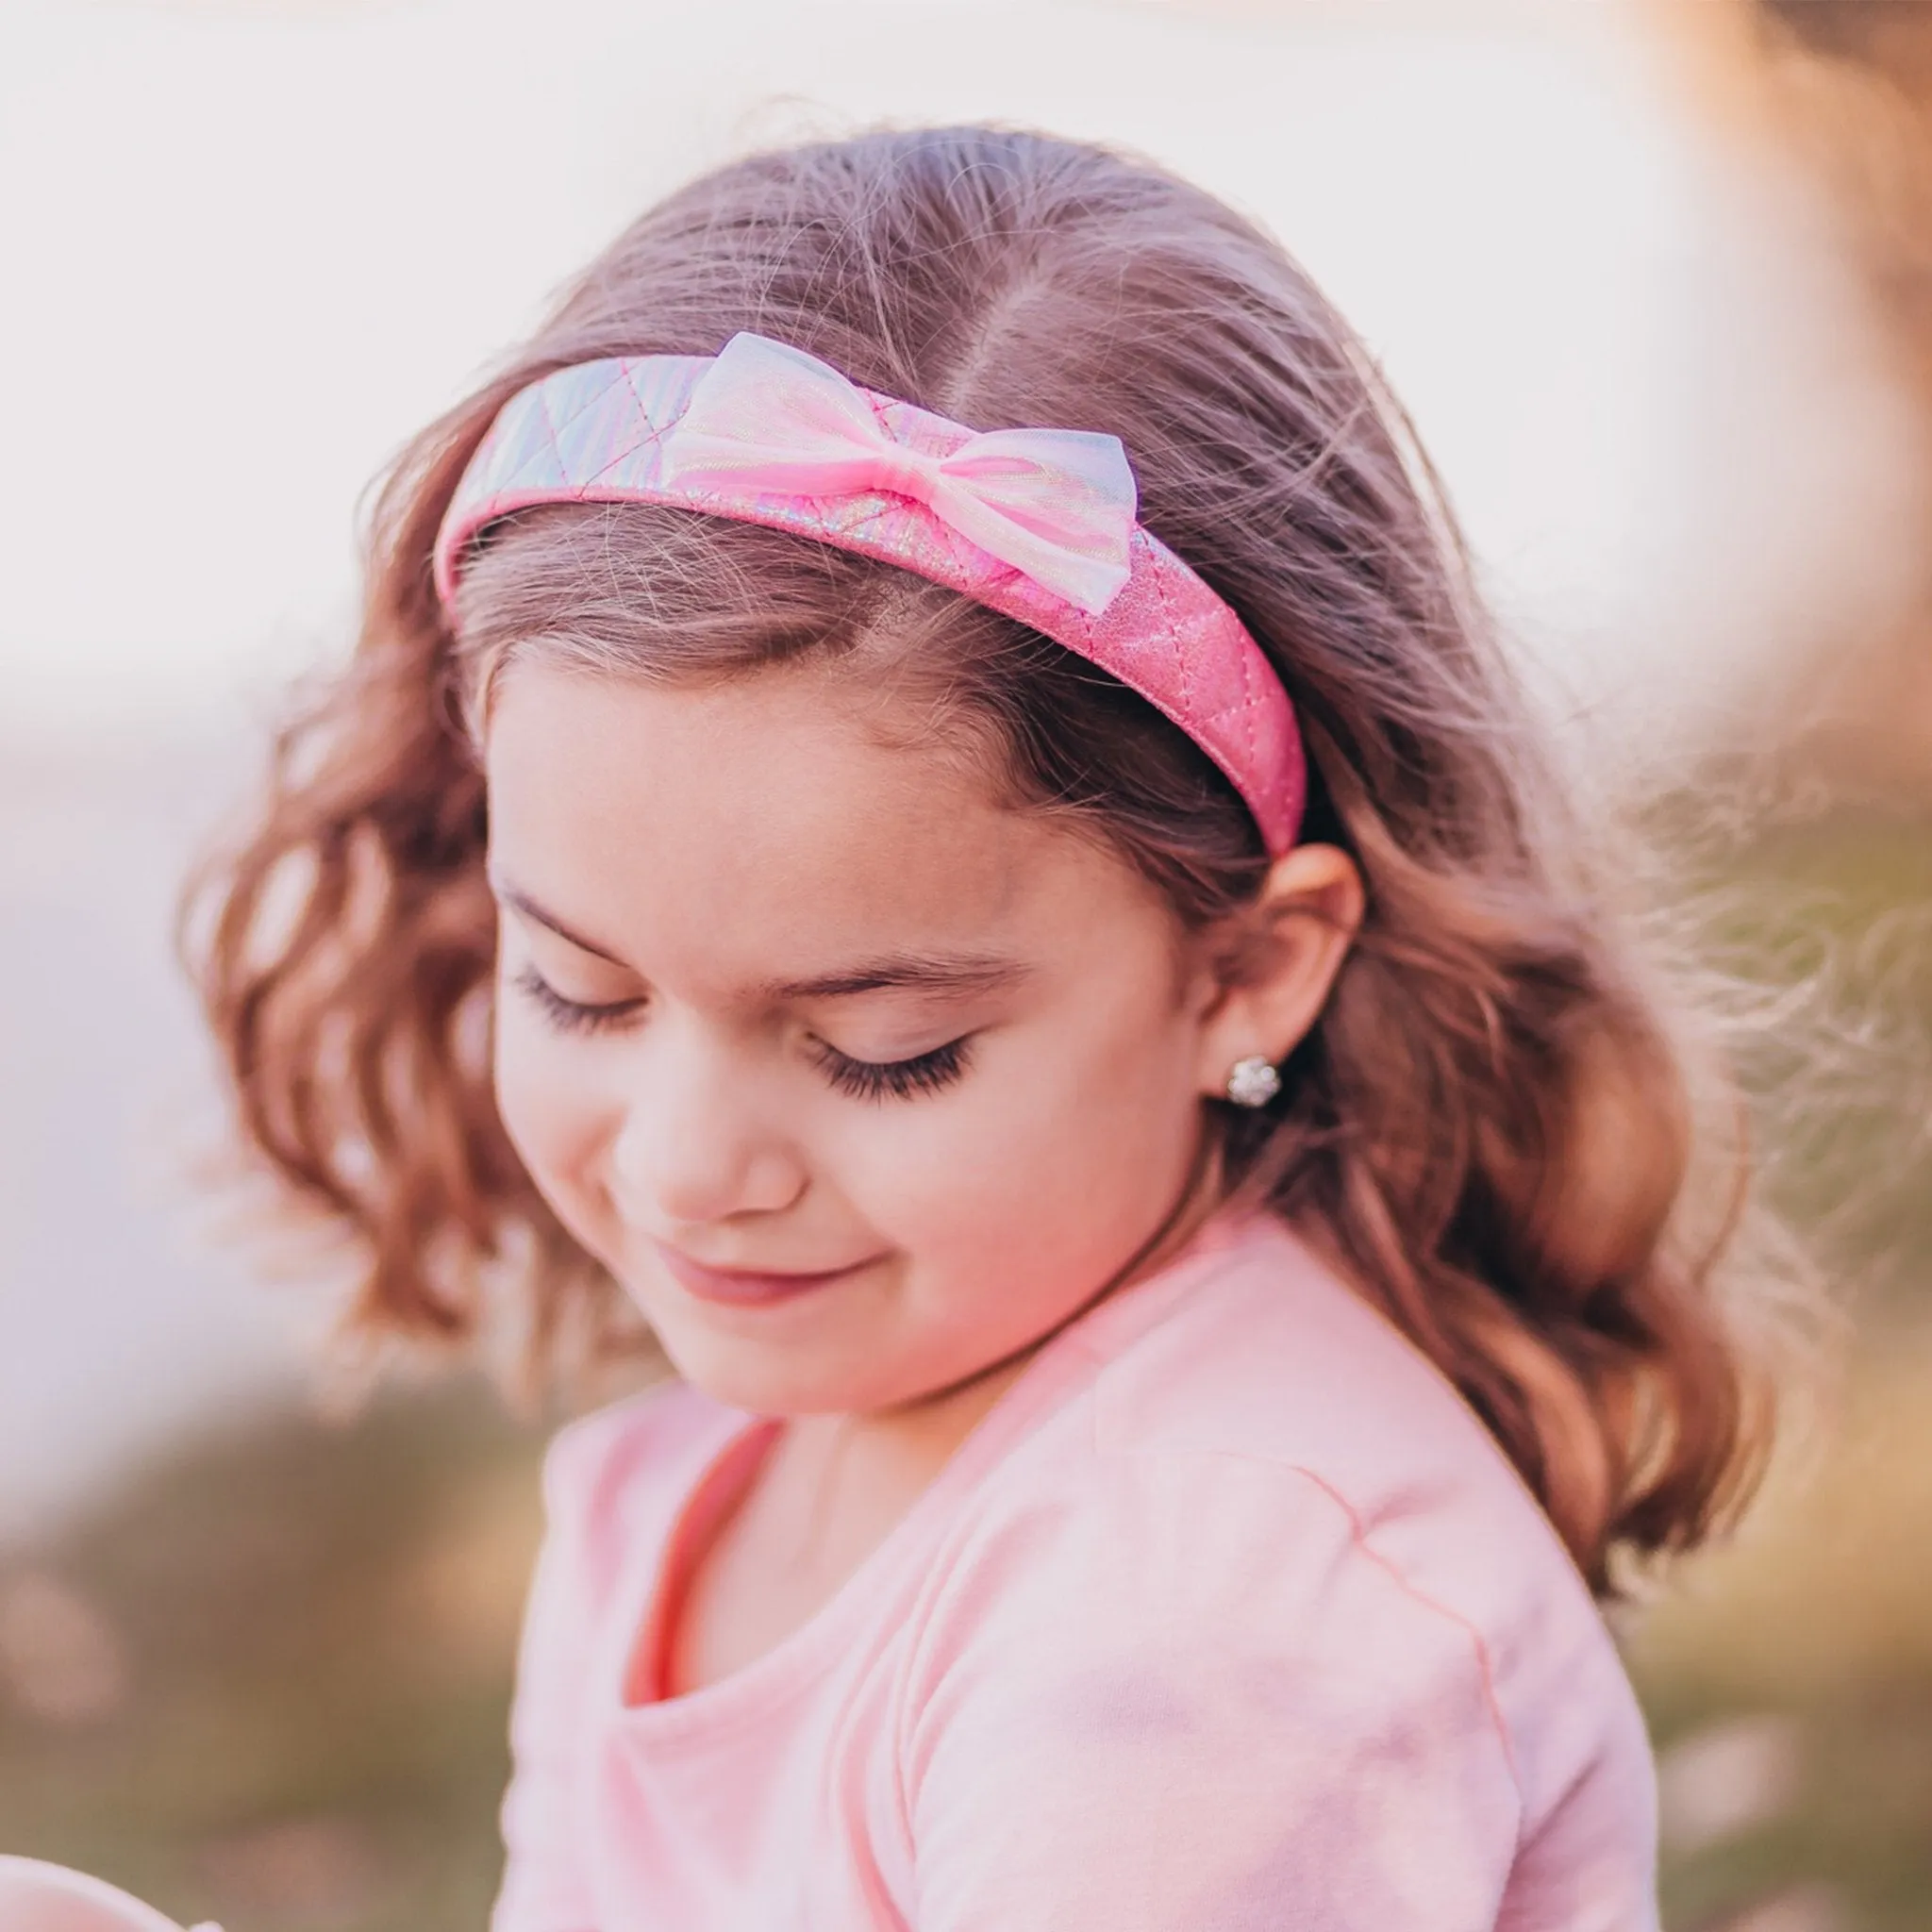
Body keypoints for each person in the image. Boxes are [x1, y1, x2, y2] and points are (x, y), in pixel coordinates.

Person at [185, 126, 1785, 1929]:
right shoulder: (706, 1484)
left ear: (1243, 974)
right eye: (581, 987)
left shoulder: (1203, 1636)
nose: (687, 1164)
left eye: (885, 1049)